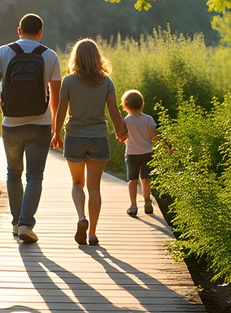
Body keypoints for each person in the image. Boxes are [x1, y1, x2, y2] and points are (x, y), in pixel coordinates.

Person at [0, 13, 62, 244]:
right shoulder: (50, 55)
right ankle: (27, 223)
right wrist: (57, 129)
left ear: (19, 30)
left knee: (13, 174)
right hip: (41, 124)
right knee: (35, 175)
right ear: (40, 32)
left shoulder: (3, 52)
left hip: (11, 125)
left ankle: (17, 223)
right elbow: (56, 98)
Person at [51, 38, 128, 246]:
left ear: (75, 57)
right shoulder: (106, 82)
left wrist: (56, 133)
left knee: (77, 183)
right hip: (99, 137)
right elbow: (114, 113)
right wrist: (121, 132)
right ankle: (92, 234)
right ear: (97, 57)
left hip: (75, 136)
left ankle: (80, 218)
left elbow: (60, 112)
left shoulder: (68, 81)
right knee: (94, 188)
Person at [120, 88, 172, 217]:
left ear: (125, 106)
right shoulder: (148, 119)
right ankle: (147, 201)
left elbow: (122, 136)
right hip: (147, 153)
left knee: (132, 179)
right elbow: (154, 136)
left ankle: (133, 205)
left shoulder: (126, 121)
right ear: (142, 104)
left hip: (132, 154)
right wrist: (167, 147)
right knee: (146, 178)